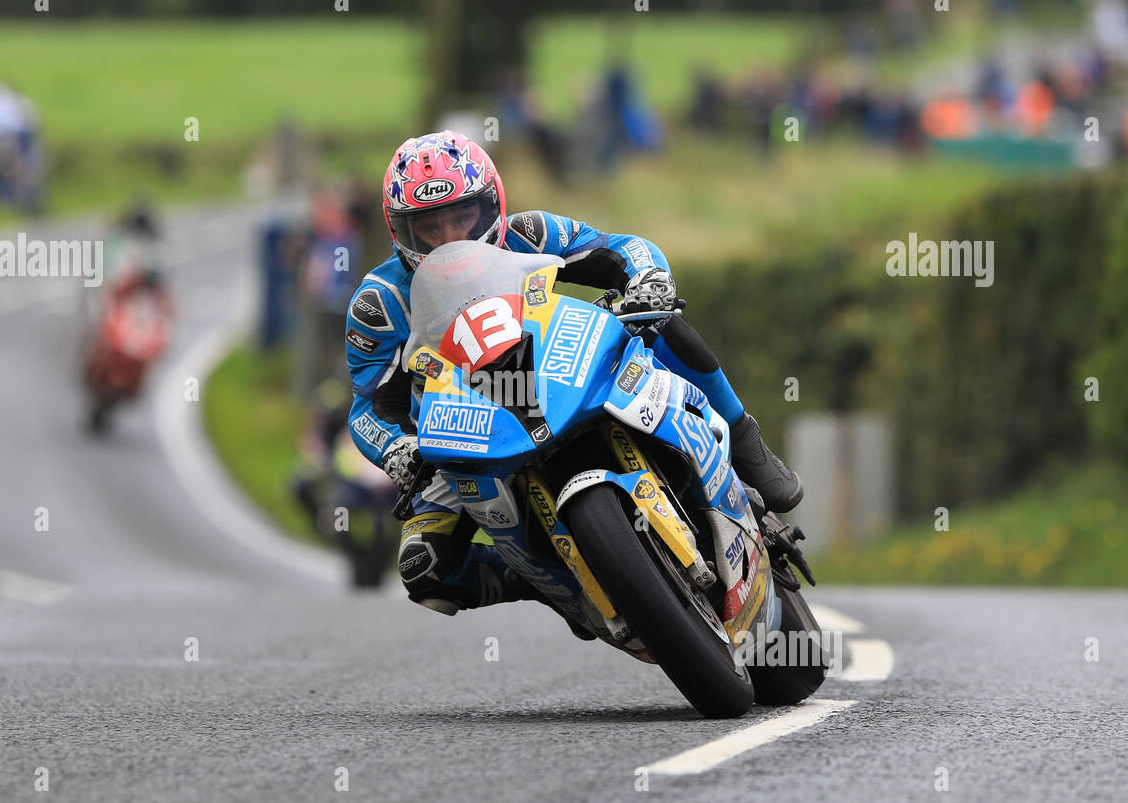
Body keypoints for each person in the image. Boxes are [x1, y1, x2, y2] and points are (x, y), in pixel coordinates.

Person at [344, 130, 802, 620]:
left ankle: (745, 440)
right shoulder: (379, 304)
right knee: (422, 566)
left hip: (558, 368)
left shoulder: (531, 232)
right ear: (401, 232)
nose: (450, 237)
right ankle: (545, 580)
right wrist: (396, 449)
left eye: (462, 217)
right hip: (463, 431)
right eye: (429, 228)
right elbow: (367, 408)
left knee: (665, 320)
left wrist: (648, 281)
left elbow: (622, 248)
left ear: (491, 205)